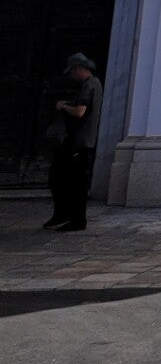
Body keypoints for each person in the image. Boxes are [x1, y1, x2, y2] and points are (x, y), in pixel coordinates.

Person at [44, 53, 103, 232]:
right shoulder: (95, 85)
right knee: (62, 179)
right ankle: (64, 214)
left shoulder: (88, 85)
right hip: (80, 143)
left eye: (72, 72)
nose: (71, 76)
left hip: (80, 143)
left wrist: (63, 106)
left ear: (79, 69)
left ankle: (76, 219)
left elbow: (79, 112)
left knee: (71, 182)